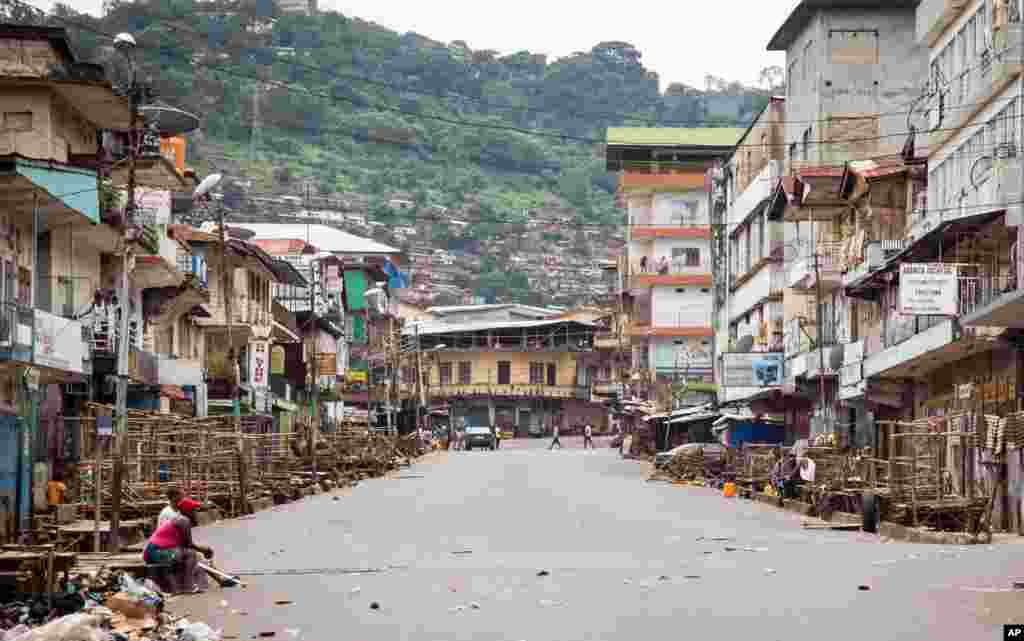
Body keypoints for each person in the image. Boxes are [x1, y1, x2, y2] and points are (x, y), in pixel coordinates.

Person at [143, 497, 213, 594]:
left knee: (187, 553)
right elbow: (188, 544)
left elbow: (184, 544)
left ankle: (184, 585)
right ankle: (188, 586)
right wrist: (204, 550)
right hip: (155, 552)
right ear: (186, 510)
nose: (195, 512)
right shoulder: (183, 520)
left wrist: (202, 550)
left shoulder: (178, 519)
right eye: (193, 510)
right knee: (191, 554)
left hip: (154, 551)